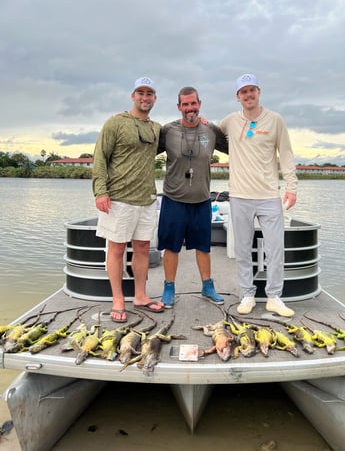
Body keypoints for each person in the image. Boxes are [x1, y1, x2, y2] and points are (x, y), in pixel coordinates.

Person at [219, 73, 297, 317]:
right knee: (242, 248)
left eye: (252, 90)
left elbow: (286, 154)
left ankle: (274, 296)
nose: (248, 95)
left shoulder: (275, 120)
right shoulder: (230, 121)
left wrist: (292, 187)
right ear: (237, 96)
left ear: (259, 92)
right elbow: (209, 133)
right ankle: (248, 294)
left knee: (275, 248)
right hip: (240, 195)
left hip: (268, 195)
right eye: (243, 91)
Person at [92, 77, 164, 322]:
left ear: (155, 98)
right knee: (117, 248)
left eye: (150, 93)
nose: (145, 97)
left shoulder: (156, 128)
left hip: (146, 198)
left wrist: (200, 122)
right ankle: (118, 299)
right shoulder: (115, 123)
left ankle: (141, 296)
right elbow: (100, 158)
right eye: (141, 93)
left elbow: (178, 136)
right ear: (133, 95)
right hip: (118, 198)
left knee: (143, 247)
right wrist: (100, 191)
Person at [157, 86, 228, 308]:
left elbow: (238, 147)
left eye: (193, 103)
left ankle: (207, 286)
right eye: (185, 104)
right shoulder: (167, 131)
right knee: (171, 247)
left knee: (203, 246)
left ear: (200, 103)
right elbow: (141, 150)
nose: (190, 108)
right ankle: (169, 288)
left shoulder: (211, 131)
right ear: (179, 106)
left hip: (201, 199)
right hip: (174, 199)